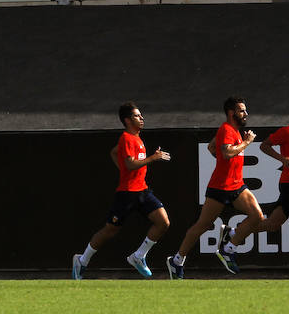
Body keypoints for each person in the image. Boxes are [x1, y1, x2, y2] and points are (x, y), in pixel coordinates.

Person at [221, 97, 289, 278]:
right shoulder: (288, 131)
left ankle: (232, 232)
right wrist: (283, 159)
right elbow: (264, 145)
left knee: (272, 224)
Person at [166, 97, 264, 279]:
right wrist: (247, 142)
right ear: (231, 113)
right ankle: (177, 260)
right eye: (242, 110)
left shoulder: (233, 131)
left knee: (257, 216)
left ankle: (229, 246)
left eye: (245, 110)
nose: (246, 114)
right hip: (220, 187)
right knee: (202, 226)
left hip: (237, 185)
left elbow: (212, 148)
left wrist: (226, 155)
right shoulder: (226, 129)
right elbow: (226, 153)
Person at [72, 102, 171, 279]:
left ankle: (138, 256)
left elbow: (113, 153)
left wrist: (125, 170)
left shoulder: (137, 139)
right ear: (127, 120)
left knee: (163, 222)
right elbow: (130, 164)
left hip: (142, 191)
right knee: (110, 230)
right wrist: (152, 158)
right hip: (126, 194)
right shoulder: (126, 138)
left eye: (141, 115)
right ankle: (82, 260)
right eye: (137, 116)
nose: (142, 118)